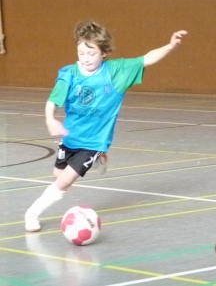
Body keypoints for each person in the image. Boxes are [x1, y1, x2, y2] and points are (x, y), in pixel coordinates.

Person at [24, 20, 187, 232]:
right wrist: (50, 119)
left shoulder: (116, 71)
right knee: (58, 175)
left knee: (64, 181)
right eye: (81, 53)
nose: (85, 58)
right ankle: (98, 160)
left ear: (104, 53)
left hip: (94, 141)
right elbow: (53, 101)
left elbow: (146, 59)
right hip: (71, 138)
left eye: (91, 53)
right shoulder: (69, 74)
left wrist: (170, 45)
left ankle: (32, 213)